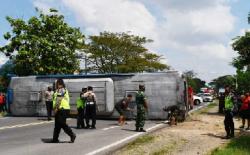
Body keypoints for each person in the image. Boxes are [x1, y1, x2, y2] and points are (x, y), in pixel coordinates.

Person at [51, 78, 76, 143]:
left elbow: (59, 99)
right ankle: (55, 139)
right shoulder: (57, 90)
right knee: (57, 125)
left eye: (56, 83)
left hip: (62, 109)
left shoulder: (61, 90)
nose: (55, 85)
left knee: (62, 123)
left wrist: (56, 109)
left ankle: (72, 135)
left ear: (60, 84)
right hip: (59, 109)